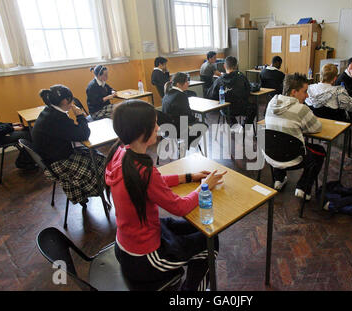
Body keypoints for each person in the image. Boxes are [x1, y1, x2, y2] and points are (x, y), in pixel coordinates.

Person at [105, 100, 226, 291]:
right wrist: (204, 187)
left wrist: (188, 177)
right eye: (154, 124)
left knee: (204, 230)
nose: (158, 128)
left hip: (128, 243)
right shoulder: (143, 170)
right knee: (209, 244)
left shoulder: (120, 153)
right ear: (141, 131)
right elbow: (180, 207)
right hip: (144, 259)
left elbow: (154, 180)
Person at [32, 85, 106, 208]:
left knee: (95, 154)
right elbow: (83, 134)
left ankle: (84, 194)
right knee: (101, 162)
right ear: (66, 101)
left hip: (51, 158)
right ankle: (96, 190)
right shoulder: (57, 118)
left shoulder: (49, 111)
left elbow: (72, 133)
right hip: (59, 163)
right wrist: (80, 115)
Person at [265, 73, 326, 202]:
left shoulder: (271, 103)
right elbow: (316, 128)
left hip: (270, 155)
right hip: (293, 159)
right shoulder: (301, 109)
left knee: (279, 140)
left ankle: (279, 179)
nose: (307, 96)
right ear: (294, 92)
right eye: (304, 92)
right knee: (319, 151)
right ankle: (303, 187)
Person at [207, 56, 256, 130]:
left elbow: (211, 96)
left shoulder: (219, 81)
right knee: (254, 108)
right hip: (242, 107)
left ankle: (234, 126)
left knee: (226, 109)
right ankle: (244, 126)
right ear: (236, 66)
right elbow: (248, 91)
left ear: (224, 66)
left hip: (226, 110)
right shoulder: (242, 77)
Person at [162, 72, 206, 148]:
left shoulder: (167, 93)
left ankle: (185, 145)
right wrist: (195, 119)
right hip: (177, 130)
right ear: (178, 84)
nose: (188, 83)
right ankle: (187, 144)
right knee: (203, 125)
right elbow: (187, 116)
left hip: (166, 129)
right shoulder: (181, 96)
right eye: (186, 81)